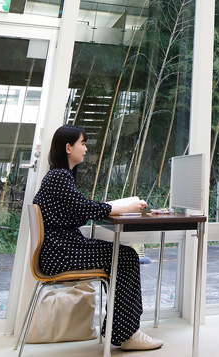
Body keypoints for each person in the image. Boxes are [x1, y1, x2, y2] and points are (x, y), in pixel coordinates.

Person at [32, 125, 163, 351]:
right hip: (61, 254)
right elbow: (85, 208)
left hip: (60, 250)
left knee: (124, 255)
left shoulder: (57, 177)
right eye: (82, 143)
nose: (85, 149)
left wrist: (116, 206)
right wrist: (124, 206)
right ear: (68, 147)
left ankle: (123, 330)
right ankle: (127, 333)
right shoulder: (59, 177)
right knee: (126, 256)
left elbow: (80, 209)